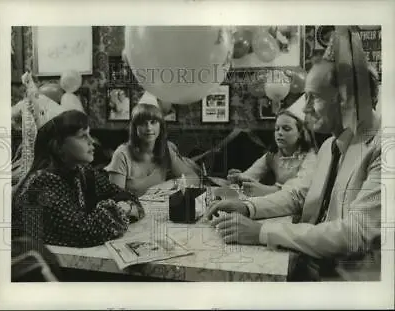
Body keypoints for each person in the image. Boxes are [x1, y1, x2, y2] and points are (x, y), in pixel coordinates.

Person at [205, 27, 381, 281]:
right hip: (308, 266)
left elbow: (355, 233)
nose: (305, 108)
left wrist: (262, 232)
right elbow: (298, 194)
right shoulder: (329, 146)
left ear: (347, 100)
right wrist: (247, 207)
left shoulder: (384, 148)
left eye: (314, 98)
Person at [12, 108, 144, 248]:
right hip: (37, 262)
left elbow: (126, 195)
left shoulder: (81, 171)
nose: (91, 141)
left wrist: (121, 207)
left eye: (89, 134)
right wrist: (123, 209)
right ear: (58, 146)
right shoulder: (43, 181)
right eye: (82, 136)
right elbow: (84, 232)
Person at [227, 95, 317, 197]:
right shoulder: (272, 155)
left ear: (300, 133)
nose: (280, 133)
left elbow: (300, 189)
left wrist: (265, 190)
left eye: (286, 129)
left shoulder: (310, 157)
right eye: (277, 129)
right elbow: (251, 175)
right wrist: (239, 178)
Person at [106, 102, 199, 196]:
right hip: (131, 209)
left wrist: (169, 184)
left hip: (159, 208)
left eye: (153, 122)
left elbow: (194, 179)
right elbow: (115, 199)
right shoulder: (122, 154)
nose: (149, 128)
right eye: (143, 123)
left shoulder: (166, 149)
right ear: (135, 128)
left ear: (160, 126)